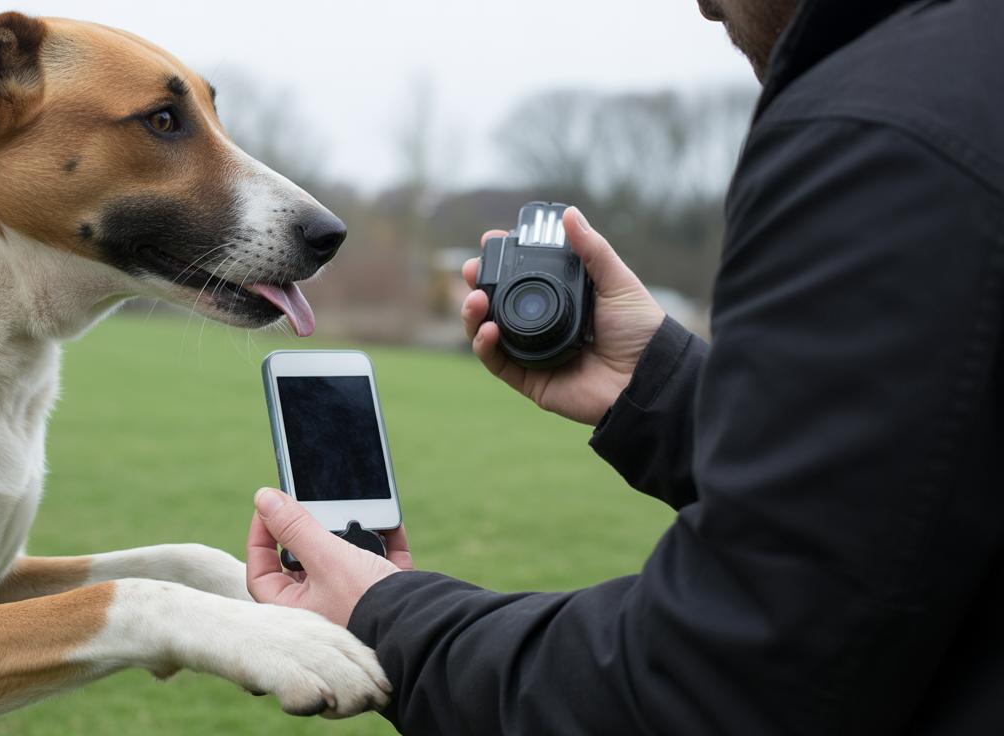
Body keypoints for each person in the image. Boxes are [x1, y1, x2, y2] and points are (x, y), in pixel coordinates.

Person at [246, 0, 1004, 733]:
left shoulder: (882, 130)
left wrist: (383, 613)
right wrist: (661, 389)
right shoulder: (962, 79)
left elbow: (709, 687)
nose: (704, 7)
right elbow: (913, 491)